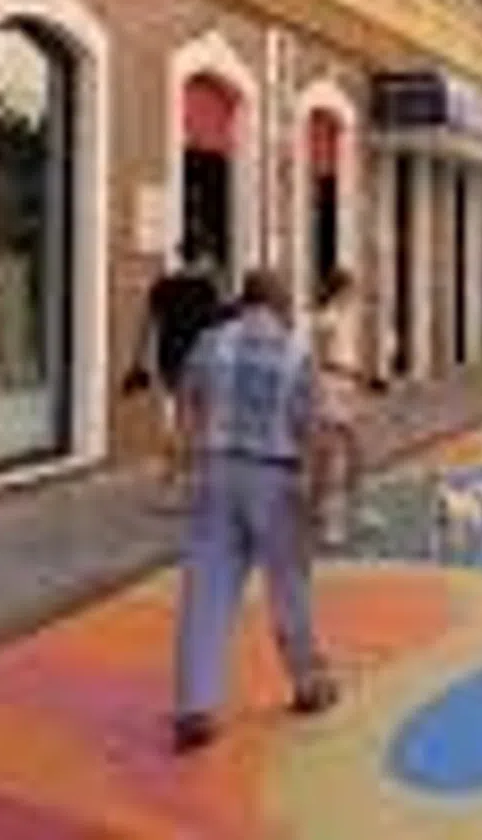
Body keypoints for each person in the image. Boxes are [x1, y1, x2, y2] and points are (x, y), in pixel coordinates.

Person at [171, 268, 337, 753]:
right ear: (280, 304)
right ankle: (308, 683)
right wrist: (317, 499)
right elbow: (316, 434)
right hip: (277, 479)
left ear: (243, 301)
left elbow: (186, 403)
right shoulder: (296, 354)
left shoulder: (211, 344)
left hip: (217, 471)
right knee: (288, 587)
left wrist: (186, 463)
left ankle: (196, 704)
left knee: (206, 588)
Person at [133, 237, 227, 507]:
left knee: (181, 419)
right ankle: (190, 483)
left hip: (170, 359)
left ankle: (173, 484)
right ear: (202, 257)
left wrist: (138, 361)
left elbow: (146, 325)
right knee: (201, 422)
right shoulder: (207, 288)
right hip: (202, 359)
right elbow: (219, 324)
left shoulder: (161, 286)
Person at [308, 268, 381, 549]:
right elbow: (322, 360)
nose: (355, 294)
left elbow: (349, 351)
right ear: (340, 291)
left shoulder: (346, 316)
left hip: (347, 388)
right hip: (332, 388)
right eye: (351, 289)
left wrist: (358, 377)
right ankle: (327, 518)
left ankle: (351, 509)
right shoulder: (326, 319)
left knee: (354, 452)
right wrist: (356, 375)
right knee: (331, 456)